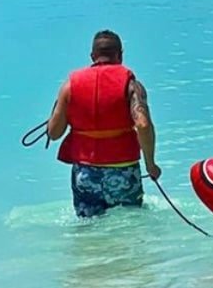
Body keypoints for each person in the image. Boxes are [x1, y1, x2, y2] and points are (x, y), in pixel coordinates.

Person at [46, 30, 161, 218]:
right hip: (123, 169)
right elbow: (143, 125)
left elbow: (54, 133)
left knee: (89, 229)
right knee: (130, 226)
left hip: (85, 172)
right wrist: (151, 165)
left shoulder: (70, 86)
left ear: (93, 56)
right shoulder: (132, 85)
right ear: (120, 55)